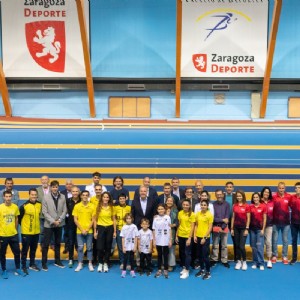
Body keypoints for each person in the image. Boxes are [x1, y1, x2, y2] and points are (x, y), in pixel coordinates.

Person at [41, 180, 67, 271]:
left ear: (58, 187)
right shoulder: (45, 197)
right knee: (46, 244)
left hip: (59, 224)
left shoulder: (63, 197)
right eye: (53, 187)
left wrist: (59, 220)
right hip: (49, 225)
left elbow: (65, 210)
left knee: (57, 243)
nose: (55, 188)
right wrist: (53, 221)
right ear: (50, 187)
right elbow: (44, 212)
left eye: (56, 187)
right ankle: (44, 263)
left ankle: (57, 261)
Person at [0, 191, 25, 278]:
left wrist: (15, 229)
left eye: (9, 196)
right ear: (3, 197)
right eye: (6, 196)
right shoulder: (0, 208)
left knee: (17, 252)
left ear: (11, 197)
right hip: (3, 235)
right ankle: (4, 270)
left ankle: (18, 268)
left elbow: (16, 219)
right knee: (2, 253)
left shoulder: (15, 207)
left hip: (13, 234)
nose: (8, 198)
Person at [19, 188, 42, 274]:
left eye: (35, 195)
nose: (34, 196)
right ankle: (23, 266)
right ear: (29, 195)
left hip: (36, 232)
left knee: (33, 249)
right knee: (25, 250)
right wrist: (25, 227)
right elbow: (19, 218)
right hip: (26, 232)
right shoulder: (24, 206)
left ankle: (32, 264)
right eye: (32, 194)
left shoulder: (39, 204)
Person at [73, 190, 95, 272]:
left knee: (89, 248)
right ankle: (80, 263)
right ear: (81, 196)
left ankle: (90, 263)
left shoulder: (92, 206)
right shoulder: (77, 206)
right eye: (83, 195)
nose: (85, 196)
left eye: (86, 195)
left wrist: (88, 229)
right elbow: (75, 219)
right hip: (79, 231)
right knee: (80, 248)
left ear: (88, 196)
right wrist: (82, 229)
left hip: (89, 231)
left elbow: (93, 220)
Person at [94, 192, 116, 273]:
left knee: (108, 247)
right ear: (102, 198)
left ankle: (106, 263)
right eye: (104, 197)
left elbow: (114, 219)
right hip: (100, 228)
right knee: (100, 247)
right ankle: (100, 263)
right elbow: (95, 220)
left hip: (109, 228)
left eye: (107, 197)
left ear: (109, 198)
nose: (106, 199)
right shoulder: (98, 207)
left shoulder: (112, 208)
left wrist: (114, 231)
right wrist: (95, 231)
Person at [271, 182, 291, 264]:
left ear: (285, 188)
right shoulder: (273, 196)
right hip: (275, 222)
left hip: (286, 223)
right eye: (280, 188)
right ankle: (274, 255)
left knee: (285, 240)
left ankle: (284, 256)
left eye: (283, 188)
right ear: (277, 188)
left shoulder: (289, 197)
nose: (281, 189)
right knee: (274, 240)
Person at [176, 199, 195, 279]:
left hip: (188, 236)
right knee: (182, 252)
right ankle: (184, 267)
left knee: (188, 253)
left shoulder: (192, 214)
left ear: (190, 205)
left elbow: (192, 227)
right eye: (184, 205)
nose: (185, 206)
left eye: (187, 205)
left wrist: (189, 238)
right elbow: (179, 224)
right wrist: (176, 235)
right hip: (181, 235)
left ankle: (187, 270)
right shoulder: (180, 213)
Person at [194, 199, 213, 280]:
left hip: (205, 238)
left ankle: (208, 272)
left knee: (205, 256)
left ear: (207, 206)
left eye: (205, 205)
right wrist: (195, 235)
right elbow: (196, 225)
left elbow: (210, 228)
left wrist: (204, 237)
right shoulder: (197, 214)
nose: (203, 206)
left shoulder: (209, 215)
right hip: (198, 237)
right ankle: (202, 269)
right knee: (199, 255)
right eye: (202, 205)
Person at [231, 190, 250, 271]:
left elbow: (248, 218)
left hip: (243, 228)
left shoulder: (247, 206)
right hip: (236, 228)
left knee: (242, 246)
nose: (239, 197)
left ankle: (244, 261)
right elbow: (233, 217)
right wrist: (231, 228)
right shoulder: (234, 205)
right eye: (237, 196)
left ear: (243, 196)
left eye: (240, 196)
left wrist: (247, 228)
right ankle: (239, 261)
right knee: (237, 246)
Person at [211, 189, 230, 268]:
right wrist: (221, 220)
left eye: (220, 194)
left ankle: (224, 260)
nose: (219, 196)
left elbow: (227, 217)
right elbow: (213, 218)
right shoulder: (213, 205)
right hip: (215, 227)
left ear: (223, 194)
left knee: (224, 245)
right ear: (215, 195)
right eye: (217, 194)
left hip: (224, 227)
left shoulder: (227, 204)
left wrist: (222, 227)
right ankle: (214, 259)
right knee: (215, 245)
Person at [153, 204, 172, 279]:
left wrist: (170, 240)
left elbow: (170, 229)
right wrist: (154, 240)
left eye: (162, 209)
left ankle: (166, 269)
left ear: (165, 209)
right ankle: (159, 269)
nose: (161, 210)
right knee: (159, 255)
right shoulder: (155, 218)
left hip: (166, 239)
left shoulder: (168, 217)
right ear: (157, 210)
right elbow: (154, 229)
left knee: (166, 255)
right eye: (159, 209)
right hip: (158, 239)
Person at [249, 192, 267, 270]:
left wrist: (263, 229)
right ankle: (255, 262)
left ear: (259, 198)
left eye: (257, 197)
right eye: (254, 198)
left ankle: (261, 263)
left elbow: (265, 219)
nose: (255, 199)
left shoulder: (263, 206)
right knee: (254, 247)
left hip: (259, 230)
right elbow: (248, 218)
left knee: (259, 246)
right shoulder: (250, 207)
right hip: (252, 230)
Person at [114, 193, 131, 269]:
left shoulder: (129, 208)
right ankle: (122, 262)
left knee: (128, 247)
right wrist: (114, 231)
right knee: (120, 247)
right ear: (118, 200)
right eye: (120, 199)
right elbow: (114, 220)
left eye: (123, 198)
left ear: (126, 199)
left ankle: (128, 263)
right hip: (119, 230)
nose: (122, 200)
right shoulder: (115, 208)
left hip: (128, 231)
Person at [66, 185, 81, 268]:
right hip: (70, 225)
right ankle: (71, 259)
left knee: (79, 243)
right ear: (71, 192)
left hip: (80, 225)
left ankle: (80, 258)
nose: (75, 193)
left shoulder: (82, 201)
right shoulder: (68, 201)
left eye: (76, 191)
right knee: (71, 242)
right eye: (73, 191)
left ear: (79, 192)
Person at [120, 213, 139, 278]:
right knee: (125, 259)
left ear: (132, 219)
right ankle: (124, 271)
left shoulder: (134, 226)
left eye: (130, 218)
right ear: (125, 219)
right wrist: (123, 247)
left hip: (132, 245)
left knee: (131, 258)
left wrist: (135, 246)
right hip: (126, 245)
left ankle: (132, 271)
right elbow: (123, 237)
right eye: (127, 218)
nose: (128, 220)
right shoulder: (124, 227)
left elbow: (136, 237)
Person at [260, 187, 274, 268]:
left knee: (268, 242)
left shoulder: (272, 202)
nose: (266, 193)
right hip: (259, 226)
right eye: (265, 192)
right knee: (260, 244)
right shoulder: (259, 201)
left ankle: (269, 260)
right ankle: (260, 259)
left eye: (268, 192)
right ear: (262, 193)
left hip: (269, 225)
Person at [36, 175, 50, 248]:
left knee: (51, 230)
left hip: (51, 214)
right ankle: (42, 244)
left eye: (46, 179)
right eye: (43, 180)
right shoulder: (37, 190)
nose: (44, 181)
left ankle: (52, 244)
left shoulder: (52, 189)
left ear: (48, 180)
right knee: (42, 231)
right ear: (41, 181)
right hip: (41, 214)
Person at [90, 184, 102, 263]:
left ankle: (102, 259)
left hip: (103, 223)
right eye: (96, 189)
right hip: (94, 223)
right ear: (94, 190)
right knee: (94, 242)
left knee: (102, 242)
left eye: (99, 189)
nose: (98, 191)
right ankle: (94, 259)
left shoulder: (104, 198)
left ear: (101, 190)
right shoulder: (92, 199)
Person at [165, 196, 178, 272]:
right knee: (164, 249)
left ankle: (171, 264)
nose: (169, 202)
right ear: (166, 201)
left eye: (171, 201)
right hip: (163, 233)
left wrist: (173, 225)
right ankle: (164, 263)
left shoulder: (176, 211)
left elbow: (177, 222)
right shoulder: (162, 209)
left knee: (171, 249)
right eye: (168, 200)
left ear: (173, 202)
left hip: (172, 232)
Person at [289, 182, 300, 265]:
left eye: (299, 187)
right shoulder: (292, 197)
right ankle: (294, 257)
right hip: (294, 223)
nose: (297, 189)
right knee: (294, 241)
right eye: (296, 188)